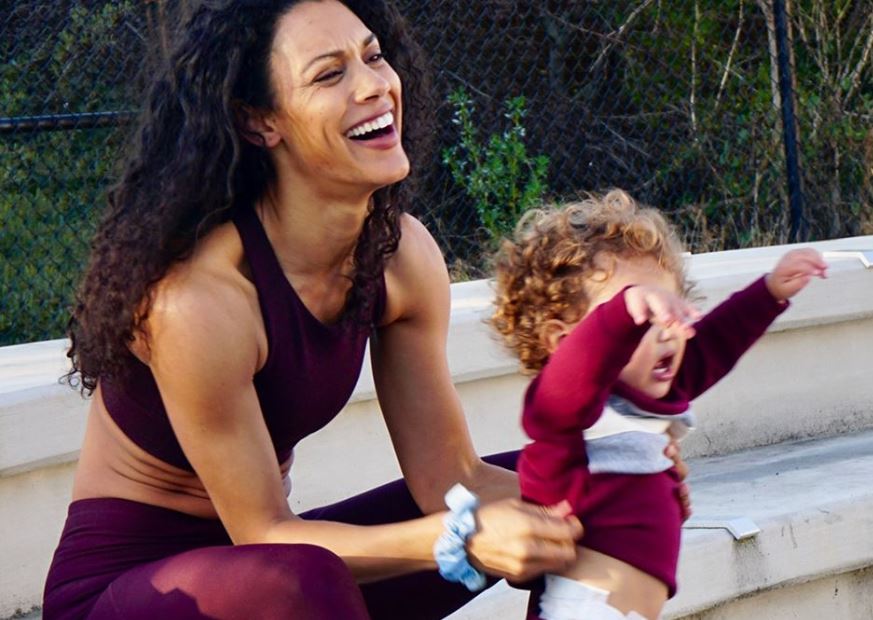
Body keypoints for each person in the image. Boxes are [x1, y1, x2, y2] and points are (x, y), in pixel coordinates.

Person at [42, 1, 590, 618]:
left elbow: (449, 480)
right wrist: (465, 536)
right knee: (301, 580)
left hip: (277, 569)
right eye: (330, 75)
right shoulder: (201, 300)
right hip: (140, 589)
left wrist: (602, 501)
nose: (374, 86)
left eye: (374, 56)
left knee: (569, 485)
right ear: (260, 121)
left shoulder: (401, 257)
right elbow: (265, 534)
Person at [490, 190, 827, 620]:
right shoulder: (568, 426)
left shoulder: (647, 401)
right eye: (644, 319)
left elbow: (712, 345)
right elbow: (562, 393)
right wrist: (620, 317)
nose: (666, 333)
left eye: (665, 312)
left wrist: (768, 294)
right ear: (563, 342)